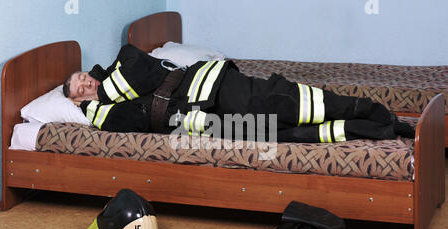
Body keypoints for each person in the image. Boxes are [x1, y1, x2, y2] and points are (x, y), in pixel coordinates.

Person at [63, 44, 414, 142]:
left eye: (83, 76)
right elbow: (134, 120)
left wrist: (104, 85)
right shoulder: (100, 116)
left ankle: (372, 110)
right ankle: (381, 129)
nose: (85, 82)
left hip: (214, 86)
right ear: (77, 103)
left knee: (286, 100)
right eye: (79, 89)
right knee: (290, 133)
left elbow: (145, 71)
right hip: (206, 122)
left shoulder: (122, 61)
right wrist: (103, 100)